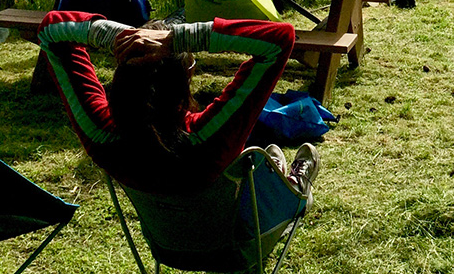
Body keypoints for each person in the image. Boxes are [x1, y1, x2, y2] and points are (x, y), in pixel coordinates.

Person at [37, 10, 319, 195]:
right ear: (185, 78)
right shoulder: (208, 135)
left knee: (262, 159)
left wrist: (119, 37)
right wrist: (177, 39)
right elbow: (281, 38)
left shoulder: (100, 134)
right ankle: (292, 183)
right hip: (241, 238)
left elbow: (50, 31)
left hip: (164, 243)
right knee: (272, 183)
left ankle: (275, 169)